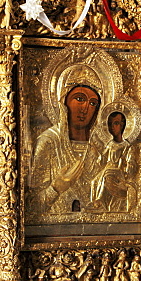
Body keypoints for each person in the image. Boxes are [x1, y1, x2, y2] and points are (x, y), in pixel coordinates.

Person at [28, 78, 102, 215]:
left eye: (93, 103)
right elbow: (30, 207)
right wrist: (56, 188)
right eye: (79, 99)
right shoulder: (48, 142)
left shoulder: (95, 149)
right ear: (64, 102)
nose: (85, 108)